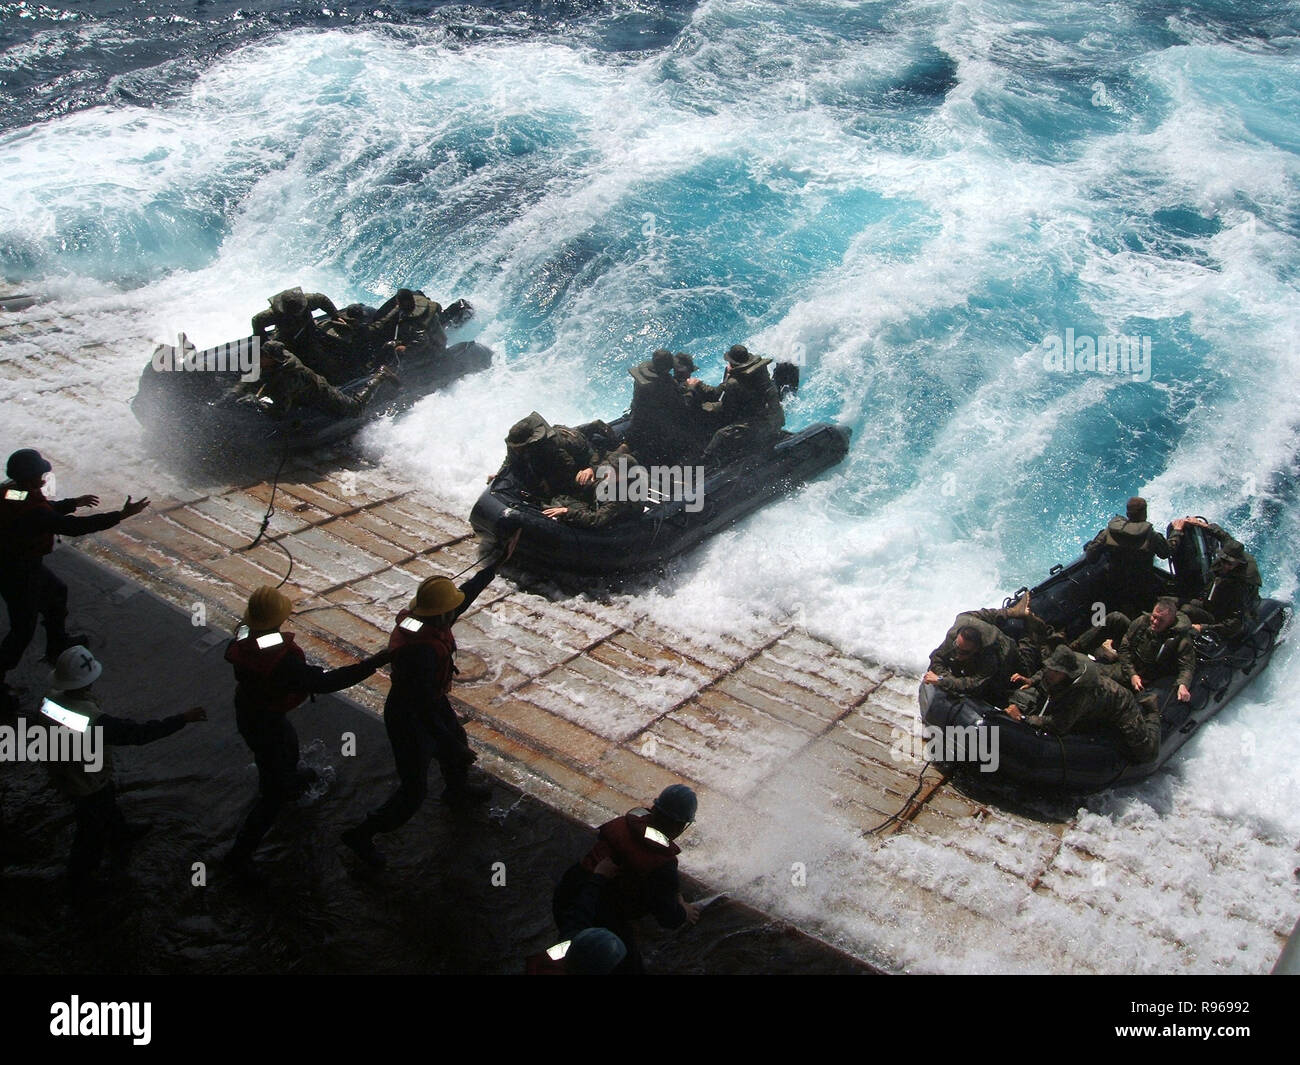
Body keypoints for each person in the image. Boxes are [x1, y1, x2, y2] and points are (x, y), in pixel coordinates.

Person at [340, 532, 519, 870]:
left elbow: (463, 596)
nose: (455, 611)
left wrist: (495, 565)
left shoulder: (425, 618)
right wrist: (451, 745)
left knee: (457, 740)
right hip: (409, 715)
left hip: (429, 702)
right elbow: (422, 712)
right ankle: (363, 833)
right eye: (449, 610)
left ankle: (456, 791)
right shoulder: (419, 653)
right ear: (438, 615)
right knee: (414, 789)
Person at [223, 586, 390, 879]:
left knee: (283, 748)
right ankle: (239, 855)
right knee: (272, 794)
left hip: (249, 710)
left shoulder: (243, 635)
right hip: (267, 720)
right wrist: (373, 663)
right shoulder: (282, 662)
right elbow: (324, 682)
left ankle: (286, 778)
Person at [42, 647, 206, 890]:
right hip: (87, 780)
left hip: (65, 769)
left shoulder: (50, 699)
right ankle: (81, 879)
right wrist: (183, 718)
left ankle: (120, 834)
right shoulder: (93, 719)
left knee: (106, 804)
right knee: (90, 832)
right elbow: (139, 734)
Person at [1, 448, 150, 699]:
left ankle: (57, 644)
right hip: (17, 570)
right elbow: (73, 527)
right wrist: (121, 515)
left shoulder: (12, 490)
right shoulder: (31, 510)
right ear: (28, 478)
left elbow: (44, 507)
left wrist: (73, 503)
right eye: (40, 474)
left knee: (57, 593)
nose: (44, 477)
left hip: (19, 563)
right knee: (22, 630)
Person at [552, 784, 702, 975]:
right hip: (601, 915)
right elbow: (668, 918)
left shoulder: (623, 823)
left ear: (654, 809)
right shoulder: (661, 866)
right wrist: (683, 911)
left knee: (569, 947)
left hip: (567, 896)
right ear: (682, 826)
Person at [1007, 645, 1160, 764]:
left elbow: (1059, 724)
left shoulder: (1080, 694)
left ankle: (1152, 710)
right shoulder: (1056, 671)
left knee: (1147, 753)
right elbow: (1045, 671)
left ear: (1066, 674)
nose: (1050, 673)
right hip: (1091, 707)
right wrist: (1031, 680)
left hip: (1120, 704)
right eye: (1050, 669)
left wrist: (1024, 718)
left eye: (1055, 672)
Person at [227, 339, 398, 419]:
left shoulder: (288, 377)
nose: (259, 358)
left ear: (272, 359)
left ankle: (381, 375)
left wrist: (258, 404)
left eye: (263, 356)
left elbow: (280, 411)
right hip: (302, 392)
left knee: (354, 410)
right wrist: (235, 392)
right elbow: (251, 377)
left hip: (319, 393)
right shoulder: (277, 359)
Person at [1169, 517, 1261, 641]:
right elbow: (1224, 536)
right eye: (1223, 560)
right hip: (1211, 602)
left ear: (1238, 564)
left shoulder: (1240, 585)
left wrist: (1204, 628)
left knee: (1186, 609)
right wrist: (1202, 525)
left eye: (1229, 564)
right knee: (1169, 601)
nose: (1224, 565)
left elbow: (1234, 623)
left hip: (1220, 616)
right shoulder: (1232, 548)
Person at [1083, 496, 1170, 616]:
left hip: (1114, 589)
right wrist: (1177, 532)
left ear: (1128, 513)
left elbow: (1091, 557)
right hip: (1142, 591)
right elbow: (1166, 553)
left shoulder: (1109, 532)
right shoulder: (1151, 535)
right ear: (1144, 513)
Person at [699, 345, 785, 465]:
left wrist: (708, 406)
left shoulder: (733, 383)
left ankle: (705, 463)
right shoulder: (761, 373)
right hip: (773, 417)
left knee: (720, 435)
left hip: (756, 423)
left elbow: (728, 411)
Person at [250, 287, 358, 382]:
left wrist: (335, 315)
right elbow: (256, 320)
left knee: (321, 356)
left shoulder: (309, 300)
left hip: (309, 330)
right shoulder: (273, 314)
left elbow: (322, 299)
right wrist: (263, 340)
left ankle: (334, 377)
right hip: (287, 337)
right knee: (286, 365)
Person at [923, 608, 1022, 707]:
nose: (958, 654)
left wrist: (943, 681)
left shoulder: (990, 656)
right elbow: (936, 659)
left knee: (995, 692)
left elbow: (974, 685)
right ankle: (1013, 611)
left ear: (976, 649)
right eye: (957, 647)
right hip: (972, 625)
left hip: (1010, 660)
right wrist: (947, 678)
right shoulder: (954, 639)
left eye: (964, 652)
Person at [492, 412, 597, 502]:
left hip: (579, 458)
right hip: (548, 464)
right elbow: (510, 460)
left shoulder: (556, 444)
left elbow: (588, 454)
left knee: (583, 485)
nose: (516, 450)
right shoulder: (514, 443)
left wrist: (590, 468)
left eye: (519, 447)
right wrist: (499, 474)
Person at [542, 444, 645, 529]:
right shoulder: (617, 476)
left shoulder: (619, 498)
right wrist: (592, 470)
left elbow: (596, 520)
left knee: (564, 504)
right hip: (599, 501)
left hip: (608, 521)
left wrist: (567, 512)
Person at [626, 349, 693, 465]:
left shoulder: (642, 376)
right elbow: (681, 406)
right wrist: (690, 389)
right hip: (655, 426)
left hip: (637, 416)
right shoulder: (664, 384)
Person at [368, 289, 447, 362]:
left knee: (394, 350)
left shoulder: (416, 320)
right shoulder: (414, 304)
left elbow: (422, 340)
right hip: (435, 340)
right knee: (390, 344)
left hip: (434, 350)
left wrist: (405, 349)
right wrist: (373, 327)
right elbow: (390, 315)